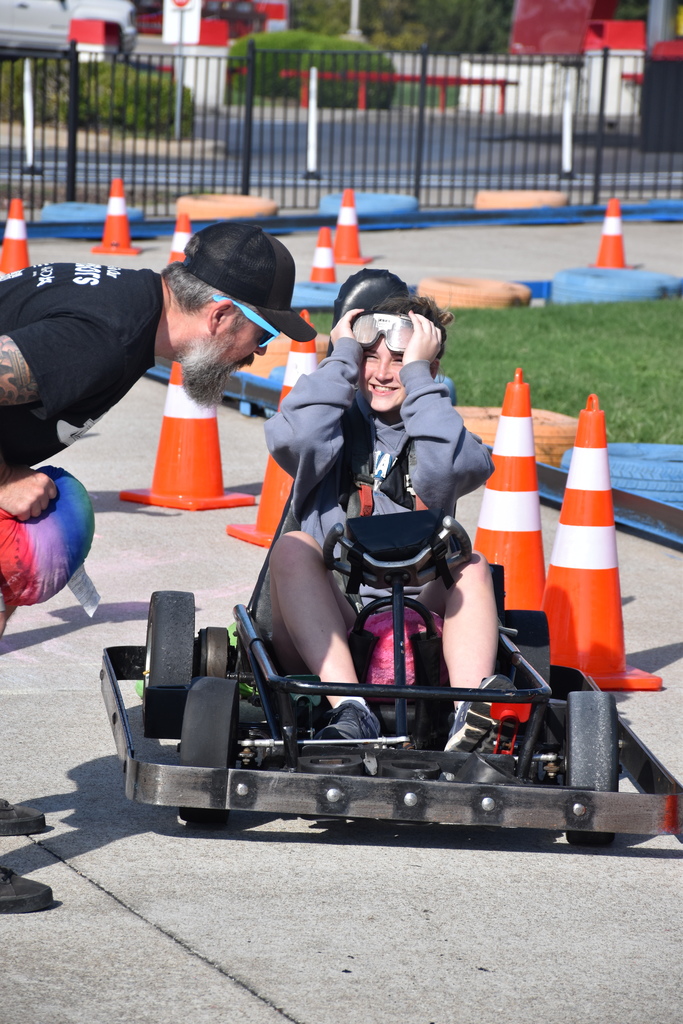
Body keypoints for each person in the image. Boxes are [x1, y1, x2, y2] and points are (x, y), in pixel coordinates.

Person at [0, 221, 315, 912]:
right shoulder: (105, 337)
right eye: (261, 334)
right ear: (221, 314)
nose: (258, 355)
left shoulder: (132, 305)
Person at [264, 290, 505, 747]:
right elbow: (292, 438)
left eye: (400, 360)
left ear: (428, 367)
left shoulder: (436, 428)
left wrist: (419, 380)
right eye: (369, 357)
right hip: (334, 619)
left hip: (421, 622)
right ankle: (351, 711)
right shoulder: (329, 425)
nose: (381, 373)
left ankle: (468, 713)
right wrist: (341, 357)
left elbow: (454, 468)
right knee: (292, 548)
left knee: (473, 566)